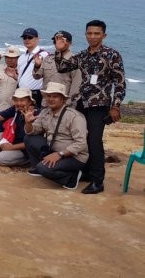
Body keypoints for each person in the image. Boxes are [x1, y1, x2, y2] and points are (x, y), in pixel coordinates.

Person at [54, 20, 126, 194]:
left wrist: (115, 106)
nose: (93, 36)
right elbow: (62, 67)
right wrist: (60, 50)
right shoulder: (82, 55)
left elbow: (120, 82)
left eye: (97, 33)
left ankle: (97, 181)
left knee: (94, 142)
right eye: (90, 33)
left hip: (99, 104)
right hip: (81, 103)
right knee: (81, 140)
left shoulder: (112, 55)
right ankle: (86, 173)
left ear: (104, 35)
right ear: (85, 34)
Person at [24, 82, 89, 190]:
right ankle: (41, 168)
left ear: (63, 99)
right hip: (53, 150)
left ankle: (71, 178)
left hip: (74, 156)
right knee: (29, 138)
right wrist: (28, 123)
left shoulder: (74, 116)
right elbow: (33, 131)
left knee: (43, 168)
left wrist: (60, 154)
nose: (51, 99)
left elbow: (81, 143)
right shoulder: (45, 113)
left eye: (55, 96)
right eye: (48, 96)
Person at [0, 88, 36, 166]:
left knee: (1, 159)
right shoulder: (15, 109)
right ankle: (6, 153)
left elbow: (33, 142)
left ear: (30, 101)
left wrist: (12, 147)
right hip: (12, 139)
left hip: (25, 149)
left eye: (22, 100)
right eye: (16, 100)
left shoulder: (36, 114)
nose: (19, 103)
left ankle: (27, 160)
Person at [33, 30, 81, 106]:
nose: (57, 43)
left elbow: (76, 87)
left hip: (63, 105)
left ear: (70, 43)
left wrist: (68, 104)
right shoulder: (48, 59)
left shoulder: (75, 61)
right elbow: (36, 76)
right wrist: (37, 66)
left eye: (62, 40)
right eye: (55, 41)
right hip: (46, 103)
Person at [17, 27, 49, 106]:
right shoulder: (21, 57)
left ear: (37, 39)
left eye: (30, 37)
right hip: (21, 93)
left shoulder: (44, 55)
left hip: (35, 94)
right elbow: (22, 76)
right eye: (25, 38)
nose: (27, 40)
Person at [0, 45, 20, 111]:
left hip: (13, 107)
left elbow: (25, 86)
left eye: (12, 58)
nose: (9, 60)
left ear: (18, 58)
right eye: (7, 57)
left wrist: (16, 77)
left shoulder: (21, 70)